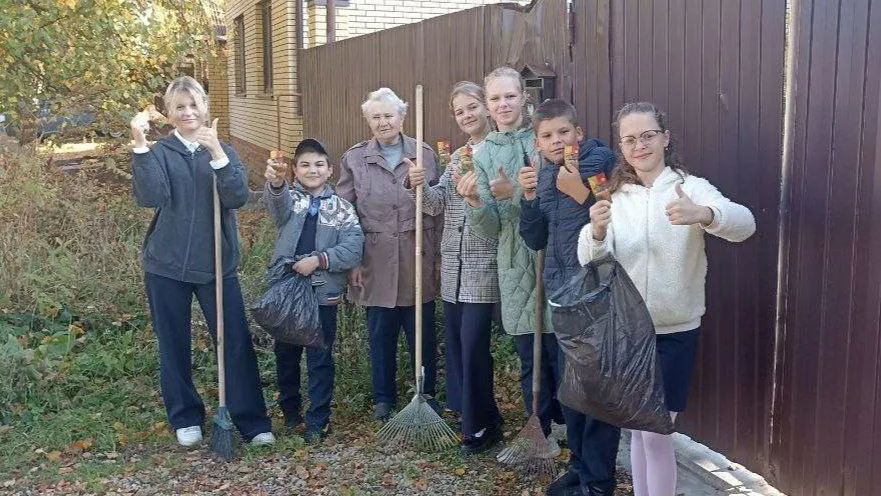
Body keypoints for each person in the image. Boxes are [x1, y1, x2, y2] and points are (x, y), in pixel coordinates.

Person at [578, 102, 756, 496]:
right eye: (630, 139)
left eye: (647, 135)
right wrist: (594, 232)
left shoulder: (689, 186)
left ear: (665, 138)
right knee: (639, 432)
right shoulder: (614, 195)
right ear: (621, 147)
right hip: (625, 331)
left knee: (656, 433)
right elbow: (587, 257)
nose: (639, 146)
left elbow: (745, 224)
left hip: (673, 332)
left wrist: (706, 214)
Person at [130, 76, 274, 448]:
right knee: (173, 342)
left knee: (235, 341)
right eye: (180, 106)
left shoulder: (222, 149)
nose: (188, 112)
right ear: (169, 113)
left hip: (217, 265)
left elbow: (237, 197)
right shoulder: (161, 152)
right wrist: (141, 146)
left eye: (193, 105)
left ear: (205, 107)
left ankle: (251, 420)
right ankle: (185, 416)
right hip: (167, 265)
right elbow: (151, 197)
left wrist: (218, 158)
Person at [517, 99, 620, 496]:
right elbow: (535, 239)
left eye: (563, 132)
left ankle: (598, 482)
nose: (557, 141)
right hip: (562, 296)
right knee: (570, 387)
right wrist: (528, 201)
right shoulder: (543, 175)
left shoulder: (602, 162)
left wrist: (578, 191)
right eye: (547, 136)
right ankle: (578, 467)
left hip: (596, 293)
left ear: (579, 132)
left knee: (594, 391)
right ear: (537, 143)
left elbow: (614, 221)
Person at [460, 67, 564, 442]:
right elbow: (491, 228)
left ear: (524, 97)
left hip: (556, 255)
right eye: (495, 98)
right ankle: (539, 431)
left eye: (510, 96)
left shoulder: (545, 139)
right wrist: (475, 201)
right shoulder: (483, 153)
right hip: (515, 262)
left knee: (560, 352)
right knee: (529, 356)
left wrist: (516, 194)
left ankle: (571, 428)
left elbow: (560, 198)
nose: (503, 104)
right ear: (487, 106)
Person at [406, 81, 502, 454]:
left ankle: (476, 424)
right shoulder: (458, 155)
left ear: (486, 107)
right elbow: (435, 204)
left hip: (483, 262)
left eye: (472, 106)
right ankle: (480, 417)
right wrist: (416, 184)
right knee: (459, 346)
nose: (466, 115)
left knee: (475, 344)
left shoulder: (501, 150)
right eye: (459, 111)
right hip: (454, 265)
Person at [337, 87, 442, 420]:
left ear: (402, 116)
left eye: (389, 115)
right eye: (376, 117)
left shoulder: (424, 153)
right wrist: (351, 259)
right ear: (368, 121)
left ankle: (426, 393)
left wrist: (438, 259)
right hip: (375, 258)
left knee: (421, 333)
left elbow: (439, 209)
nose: (383, 122)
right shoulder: (355, 158)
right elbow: (345, 213)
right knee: (380, 331)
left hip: (417, 255)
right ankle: (384, 397)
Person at [263, 138, 363, 444]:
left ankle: (319, 418)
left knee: (320, 356)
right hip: (287, 292)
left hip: (322, 292)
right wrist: (277, 185)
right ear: (295, 170)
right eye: (305, 165)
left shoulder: (341, 208)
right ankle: (292, 413)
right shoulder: (291, 201)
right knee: (286, 353)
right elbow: (276, 208)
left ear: (330, 170)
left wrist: (319, 260)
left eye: (319, 164)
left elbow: (354, 247)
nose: (312, 170)